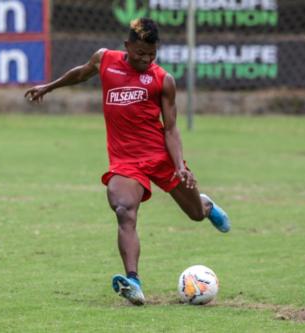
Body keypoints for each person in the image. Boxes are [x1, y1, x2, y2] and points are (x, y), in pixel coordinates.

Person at [25, 18, 230, 306]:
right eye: (140, 54)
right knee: (124, 210)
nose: (146, 60)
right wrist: (49, 86)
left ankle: (205, 204)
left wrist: (180, 167)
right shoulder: (105, 60)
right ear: (127, 46)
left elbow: (170, 128)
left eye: (152, 54)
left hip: (161, 157)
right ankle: (133, 281)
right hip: (125, 161)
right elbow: (81, 74)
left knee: (195, 214)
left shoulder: (163, 79)